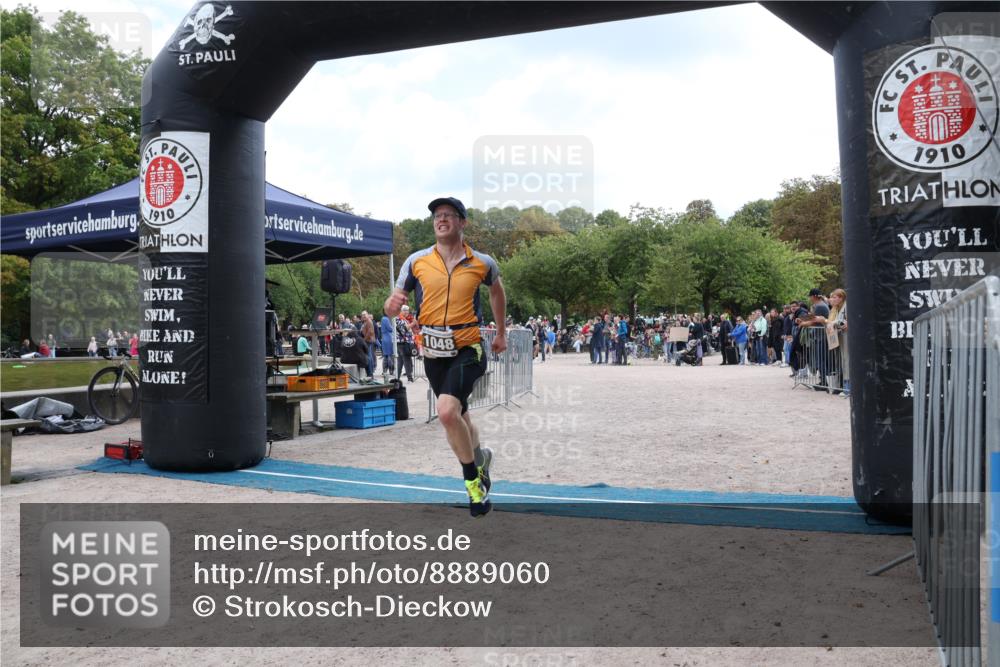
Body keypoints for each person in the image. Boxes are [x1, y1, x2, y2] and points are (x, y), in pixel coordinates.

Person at [384, 196, 506, 517]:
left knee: (447, 413)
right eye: (437, 215)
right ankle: (481, 460)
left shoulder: (482, 262)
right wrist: (391, 306)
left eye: (448, 215)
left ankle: (474, 486)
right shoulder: (417, 261)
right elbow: (394, 302)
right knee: (459, 416)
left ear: (462, 222)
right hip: (433, 351)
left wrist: (501, 332)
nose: (441, 219)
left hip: (469, 347)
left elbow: (496, 291)